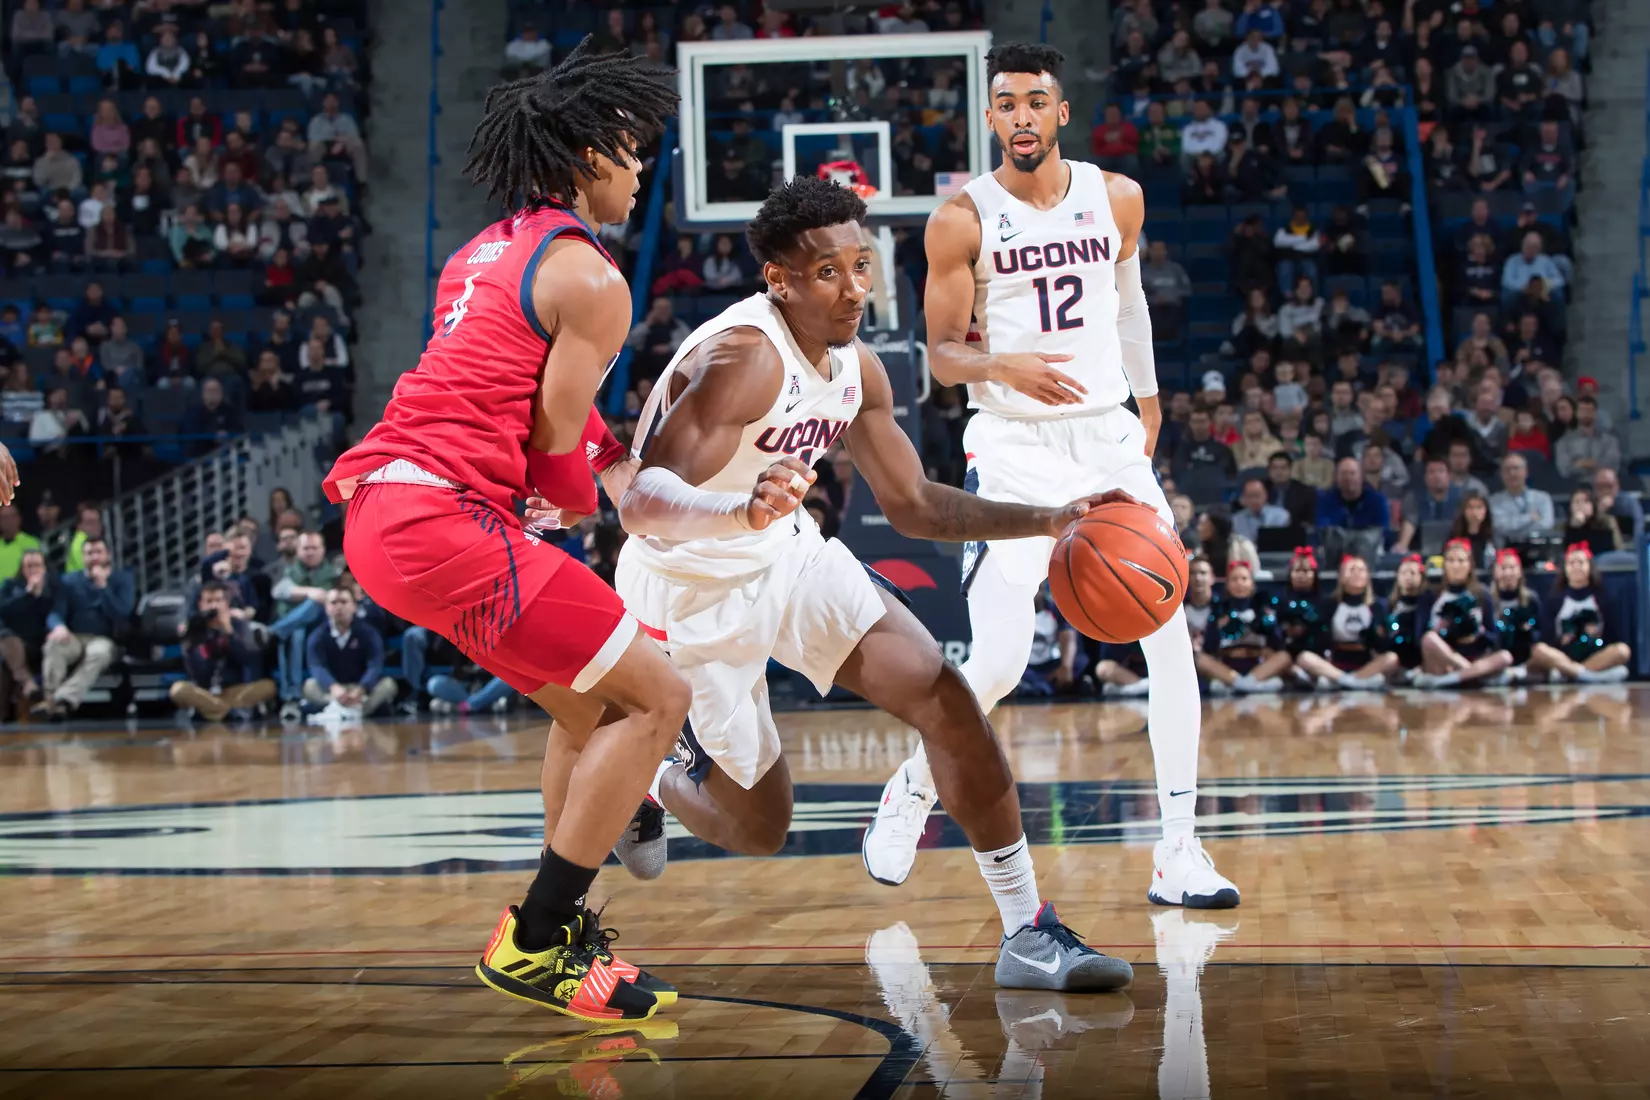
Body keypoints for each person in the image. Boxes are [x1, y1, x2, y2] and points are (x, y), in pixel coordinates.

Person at [600, 168, 1136, 991]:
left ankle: (1028, 932)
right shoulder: (744, 359)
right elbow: (640, 501)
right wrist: (735, 510)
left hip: (786, 553)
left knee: (943, 694)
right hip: (688, 586)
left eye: (862, 264)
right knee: (762, 826)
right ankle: (653, 780)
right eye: (827, 272)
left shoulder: (860, 368)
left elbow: (916, 505)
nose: (854, 288)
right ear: (777, 281)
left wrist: (1046, 516)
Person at [319, 41, 688, 1023]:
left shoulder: (483, 251)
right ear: (588, 153)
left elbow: (503, 384)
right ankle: (535, 935)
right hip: (441, 516)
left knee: (593, 709)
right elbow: (555, 432)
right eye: (632, 149)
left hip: (384, 516)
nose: (642, 167)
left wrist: (580, 464)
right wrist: (575, 488)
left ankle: (571, 924)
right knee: (659, 695)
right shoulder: (592, 278)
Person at [861, 43, 1236, 911]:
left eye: (1036, 101)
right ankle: (912, 789)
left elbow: (1130, 302)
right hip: (1015, 445)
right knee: (994, 660)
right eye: (1006, 104)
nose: (1022, 116)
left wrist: (1146, 400)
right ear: (989, 118)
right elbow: (943, 357)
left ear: (1062, 113)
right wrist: (1010, 367)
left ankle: (1179, 850)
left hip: (1106, 439)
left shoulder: (1117, 198)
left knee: (1169, 637)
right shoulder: (961, 218)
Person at [40, 537, 133, 717]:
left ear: (108, 555)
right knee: (53, 645)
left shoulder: (121, 579)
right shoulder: (69, 581)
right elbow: (56, 611)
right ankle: (53, 703)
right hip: (75, 637)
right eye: (89, 553)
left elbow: (122, 613)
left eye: (98, 552)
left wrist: (103, 587)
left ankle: (61, 698)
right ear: (83, 557)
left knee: (98, 653)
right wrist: (58, 626)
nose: (94, 557)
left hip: (104, 639)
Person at [1411, 538, 1513, 689]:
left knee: (1505, 657)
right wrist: (1443, 631)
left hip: (1475, 656)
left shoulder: (1482, 594)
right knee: (1429, 639)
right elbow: (1420, 638)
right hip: (1444, 659)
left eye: (1461, 561)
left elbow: (1494, 637)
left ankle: (1453, 679)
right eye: (1451, 561)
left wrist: (1477, 635)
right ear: (1444, 564)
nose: (1456, 566)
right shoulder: (1431, 594)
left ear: (1469, 565)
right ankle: (1471, 675)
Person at [170, 580, 276, 722]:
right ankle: (228, 711)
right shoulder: (195, 630)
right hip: (206, 692)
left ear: (226, 603)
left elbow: (248, 659)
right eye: (209, 601)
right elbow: (199, 673)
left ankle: (214, 711)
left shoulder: (240, 626)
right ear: (201, 605)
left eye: (218, 600)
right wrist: (206, 642)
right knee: (178, 690)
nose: (214, 605)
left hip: (234, 690)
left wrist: (229, 632)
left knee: (268, 686)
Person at [1525, 544, 1631, 683]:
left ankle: (1574, 674)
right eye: (1571, 563)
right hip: (1563, 658)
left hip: (1595, 657)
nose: (1576, 567)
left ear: (1589, 567)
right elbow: (1547, 640)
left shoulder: (1604, 598)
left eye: (1580, 562)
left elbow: (1614, 638)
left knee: (1623, 650)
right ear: (1565, 569)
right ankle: (1586, 676)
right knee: (1539, 650)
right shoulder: (1555, 599)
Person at [1293, 553, 1398, 691]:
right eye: (1351, 570)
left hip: (1367, 664)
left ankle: (1354, 679)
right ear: (1342, 577)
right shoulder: (1329, 604)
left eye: (1360, 570)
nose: (1356, 574)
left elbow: (1383, 644)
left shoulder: (1378, 606)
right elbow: (1316, 639)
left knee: (1392, 658)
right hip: (1335, 665)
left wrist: (1375, 634)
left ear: (1367, 576)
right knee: (1304, 657)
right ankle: (1349, 681)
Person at [270, 530, 339, 720]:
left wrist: (311, 596)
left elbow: (333, 598)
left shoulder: (334, 572)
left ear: (323, 550)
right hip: (297, 627)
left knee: (315, 604)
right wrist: (309, 591)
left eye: (314, 548)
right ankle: (291, 696)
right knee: (296, 633)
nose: (310, 552)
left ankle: (274, 632)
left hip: (323, 624)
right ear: (298, 550)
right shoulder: (286, 569)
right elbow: (279, 591)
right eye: (306, 548)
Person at [303, 584, 397, 716]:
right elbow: (316, 666)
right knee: (309, 685)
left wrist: (361, 688)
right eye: (333, 602)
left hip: (360, 688)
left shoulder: (369, 633)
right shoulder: (317, 636)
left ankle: (352, 711)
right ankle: (340, 708)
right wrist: (333, 687)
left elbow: (375, 665)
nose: (339, 607)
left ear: (354, 606)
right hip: (333, 690)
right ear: (326, 608)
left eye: (344, 602)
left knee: (388, 684)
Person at [1196, 560, 1290, 694]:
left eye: (1244, 579)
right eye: (1234, 579)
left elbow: (1277, 643)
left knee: (1285, 656)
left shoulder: (1262, 608)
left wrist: (1266, 623)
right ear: (1227, 584)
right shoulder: (1220, 609)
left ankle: (1243, 685)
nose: (1239, 583)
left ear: (1252, 583)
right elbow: (1209, 648)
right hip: (1228, 668)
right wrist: (1218, 628)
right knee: (1200, 659)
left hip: (1257, 667)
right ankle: (1244, 685)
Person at [0, 548, 49, 710]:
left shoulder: (54, 588)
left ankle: (27, 684)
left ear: (44, 568)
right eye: (29, 566)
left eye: (37, 565)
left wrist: (39, 595)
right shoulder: (10, 586)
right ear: (22, 569)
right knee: (6, 641)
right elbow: (4, 609)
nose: (33, 570)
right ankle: (27, 683)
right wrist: (27, 595)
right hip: (14, 642)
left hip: (41, 643)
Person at [1490, 548, 1543, 671]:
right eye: (1503, 568)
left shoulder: (1531, 599)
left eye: (1512, 568)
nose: (1508, 573)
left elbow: (1542, 631)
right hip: (1498, 655)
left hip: (1526, 657)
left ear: (1519, 572)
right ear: (1496, 572)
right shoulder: (1488, 600)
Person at [1377, 553, 1428, 678]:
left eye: (1412, 573)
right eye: (1403, 573)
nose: (1407, 577)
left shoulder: (1428, 603)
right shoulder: (1389, 605)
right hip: (1395, 657)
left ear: (1421, 577)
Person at [1316, 456, 1389, 535]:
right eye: (1343, 473)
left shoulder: (1377, 501)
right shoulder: (1325, 500)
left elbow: (1382, 533)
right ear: (1336, 478)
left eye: (1352, 473)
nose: (1348, 478)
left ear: (1361, 476)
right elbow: (1321, 530)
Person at [1554, 395, 1620, 481]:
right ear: (1576, 413)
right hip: (1575, 486)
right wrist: (1596, 464)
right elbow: (1565, 470)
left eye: (1589, 411)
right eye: (1582, 410)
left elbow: (1613, 465)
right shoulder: (1564, 442)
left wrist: (1581, 463)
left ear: (1595, 413)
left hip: (1602, 484)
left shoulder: (1610, 441)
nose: (1586, 414)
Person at [1562, 487, 1622, 558]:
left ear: (1592, 505)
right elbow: (1569, 552)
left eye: (1586, 501)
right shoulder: (1566, 527)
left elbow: (1607, 548)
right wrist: (1575, 526)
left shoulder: (1605, 522)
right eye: (1577, 502)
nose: (1581, 505)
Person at [1231, 475, 1290, 543]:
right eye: (1250, 496)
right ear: (1244, 498)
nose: (1254, 500)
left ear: (1265, 495)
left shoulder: (1281, 515)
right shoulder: (1237, 520)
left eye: (1257, 495)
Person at [1448, 490, 1498, 567]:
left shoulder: (1494, 536)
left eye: (1479, 507)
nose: (1474, 512)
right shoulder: (1453, 536)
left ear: (1486, 510)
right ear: (1463, 510)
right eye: (1470, 507)